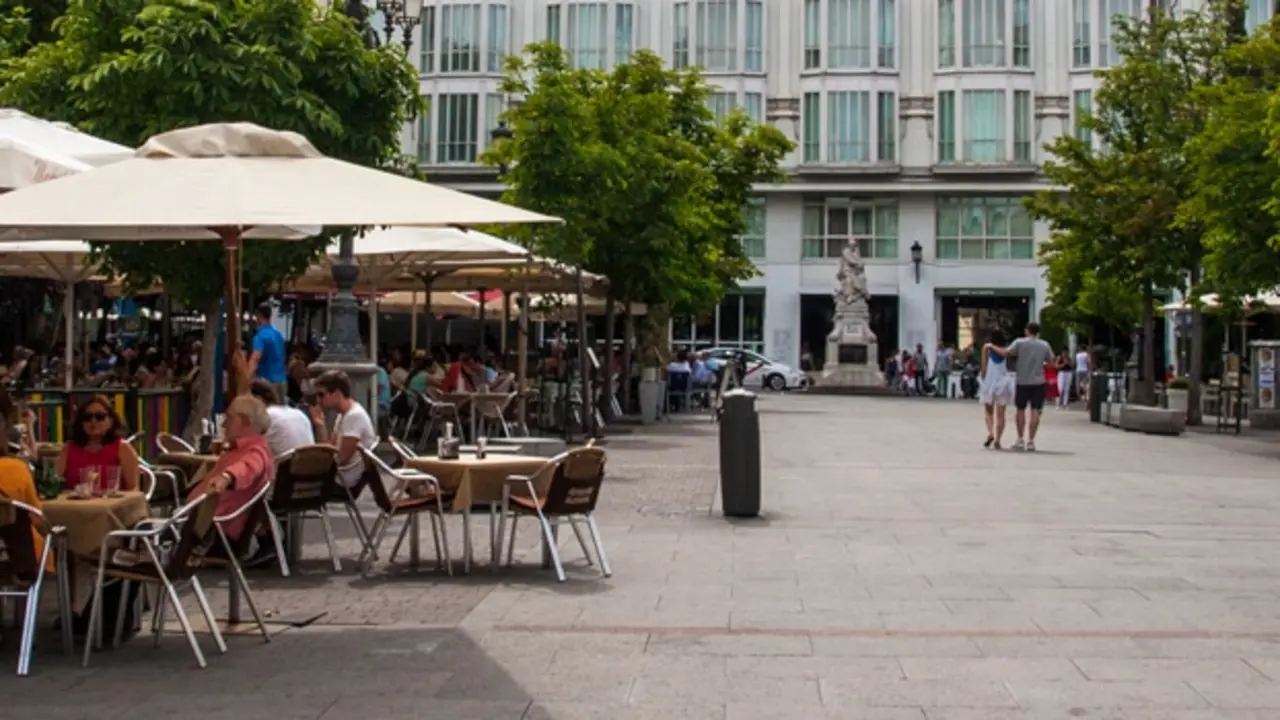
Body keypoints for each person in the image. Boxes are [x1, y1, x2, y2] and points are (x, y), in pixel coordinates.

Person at [186, 394, 274, 546]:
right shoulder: (245, 449)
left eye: (229, 418)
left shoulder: (256, 452)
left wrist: (227, 476)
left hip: (211, 532)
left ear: (243, 421)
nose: (224, 424)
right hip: (201, 525)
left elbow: (248, 467)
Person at [990, 322, 1054, 452]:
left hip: (1022, 381)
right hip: (1038, 382)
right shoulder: (1044, 345)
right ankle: (1031, 441)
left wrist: (991, 346)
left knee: (1020, 410)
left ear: (1027, 331)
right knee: (1035, 411)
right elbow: (1051, 363)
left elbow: (1005, 353)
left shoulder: (1019, 342)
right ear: (1038, 332)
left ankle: (1020, 439)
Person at [55, 396, 140, 493]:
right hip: (75, 506)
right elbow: (54, 480)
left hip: (113, 505)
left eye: (100, 417)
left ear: (111, 421)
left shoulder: (123, 448)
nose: (93, 421)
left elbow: (134, 489)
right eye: (87, 417)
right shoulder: (69, 449)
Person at [310, 370, 377, 488]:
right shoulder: (342, 414)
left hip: (344, 480)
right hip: (339, 475)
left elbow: (341, 459)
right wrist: (320, 425)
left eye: (321, 394)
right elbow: (329, 449)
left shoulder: (354, 416)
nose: (318, 400)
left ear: (337, 393)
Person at [249, 380, 314, 458]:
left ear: (258, 399)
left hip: (286, 467)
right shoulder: (298, 412)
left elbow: (248, 447)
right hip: (312, 464)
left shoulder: (266, 415)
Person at [979, 331, 1015, 449]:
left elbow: (984, 367)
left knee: (989, 411)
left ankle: (991, 433)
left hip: (990, 381)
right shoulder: (1007, 349)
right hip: (1004, 382)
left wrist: (983, 378)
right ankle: (998, 440)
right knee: (1001, 414)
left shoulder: (987, 348)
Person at [248, 303, 288, 403]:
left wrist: (246, 377)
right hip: (281, 380)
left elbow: (255, 358)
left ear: (259, 316)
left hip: (267, 383)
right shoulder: (278, 335)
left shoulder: (260, 336)